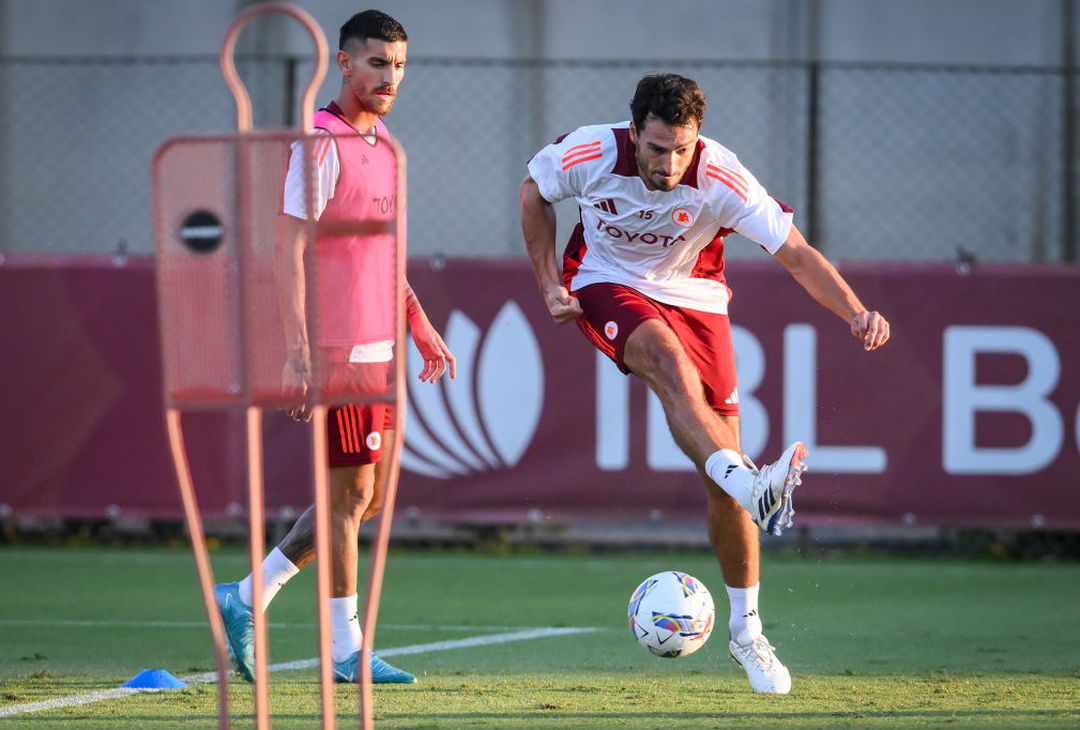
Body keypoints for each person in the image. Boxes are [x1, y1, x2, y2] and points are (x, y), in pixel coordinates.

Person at [519, 73, 889, 694]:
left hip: (697, 296)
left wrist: (853, 309)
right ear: (634, 131)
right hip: (604, 280)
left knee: (725, 483)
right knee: (666, 363)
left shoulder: (722, 174)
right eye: (657, 148)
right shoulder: (590, 151)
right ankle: (752, 484)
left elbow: (795, 253)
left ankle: (746, 631)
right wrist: (548, 283)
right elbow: (534, 192)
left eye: (681, 149)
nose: (669, 163)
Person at [214, 9, 455, 686]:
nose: (390, 76)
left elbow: (381, 250)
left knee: (367, 500)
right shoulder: (320, 142)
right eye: (377, 62)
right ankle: (346, 651)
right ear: (344, 64)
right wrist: (299, 349)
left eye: (400, 65)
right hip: (337, 346)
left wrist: (418, 321)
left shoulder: (384, 146)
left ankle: (247, 596)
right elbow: (287, 247)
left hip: (380, 345)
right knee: (350, 499)